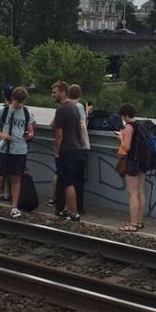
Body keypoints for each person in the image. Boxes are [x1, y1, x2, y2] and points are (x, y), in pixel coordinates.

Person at [0, 86, 35, 217]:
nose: (19, 104)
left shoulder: (27, 113)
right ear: (12, 98)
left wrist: (29, 135)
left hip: (20, 150)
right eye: (18, 101)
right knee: (0, 177)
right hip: (6, 149)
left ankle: (14, 206)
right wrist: (1, 135)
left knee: (16, 178)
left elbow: (31, 131)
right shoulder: (4, 111)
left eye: (22, 101)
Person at [51, 81, 82, 221]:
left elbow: (59, 134)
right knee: (67, 180)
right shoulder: (74, 107)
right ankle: (66, 209)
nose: (53, 95)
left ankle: (74, 212)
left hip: (66, 150)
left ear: (63, 92)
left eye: (55, 92)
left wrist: (57, 151)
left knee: (68, 182)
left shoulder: (62, 109)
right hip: (76, 148)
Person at [117, 103, 146, 232]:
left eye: (123, 116)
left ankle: (132, 224)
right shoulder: (140, 125)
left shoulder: (129, 127)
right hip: (142, 162)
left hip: (132, 162)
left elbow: (127, 147)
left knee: (132, 193)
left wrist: (121, 138)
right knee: (140, 192)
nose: (122, 119)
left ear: (126, 115)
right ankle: (139, 221)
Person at [68, 84, 91, 214]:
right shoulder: (79, 106)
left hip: (68, 146)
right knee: (78, 179)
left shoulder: (65, 106)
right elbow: (83, 125)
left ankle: (65, 206)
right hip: (80, 147)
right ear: (80, 95)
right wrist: (87, 114)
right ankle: (78, 207)